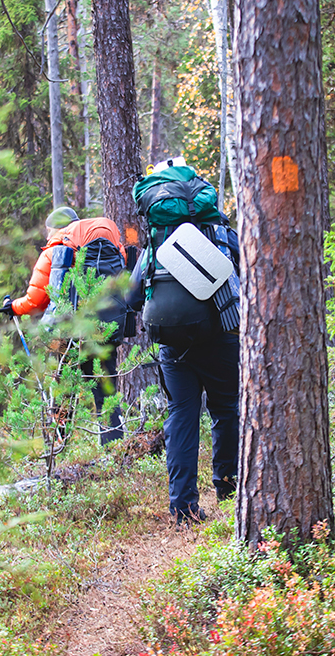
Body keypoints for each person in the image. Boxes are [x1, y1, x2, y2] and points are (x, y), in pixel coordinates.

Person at [128, 159, 240, 524]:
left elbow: (131, 299)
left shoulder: (156, 244)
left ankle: (183, 506)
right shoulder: (220, 233)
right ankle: (229, 488)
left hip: (172, 343)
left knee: (181, 416)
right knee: (225, 411)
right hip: (221, 332)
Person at [0, 206, 130, 443]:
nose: (48, 236)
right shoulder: (113, 246)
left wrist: (13, 307)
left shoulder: (55, 250)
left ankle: (60, 445)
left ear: (55, 228)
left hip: (66, 332)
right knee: (105, 389)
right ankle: (115, 448)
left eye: (49, 231)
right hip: (105, 326)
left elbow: (35, 300)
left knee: (62, 389)